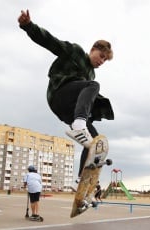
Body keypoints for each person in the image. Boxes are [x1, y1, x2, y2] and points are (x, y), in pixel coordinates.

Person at [18, 10, 114, 191]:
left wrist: (88, 116)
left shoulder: (91, 73)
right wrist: (28, 26)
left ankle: (80, 181)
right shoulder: (75, 52)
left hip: (69, 112)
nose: (102, 61)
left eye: (105, 60)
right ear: (93, 49)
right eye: (101, 56)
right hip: (59, 94)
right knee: (93, 85)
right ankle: (79, 125)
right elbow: (51, 42)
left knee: (94, 142)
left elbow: (84, 99)